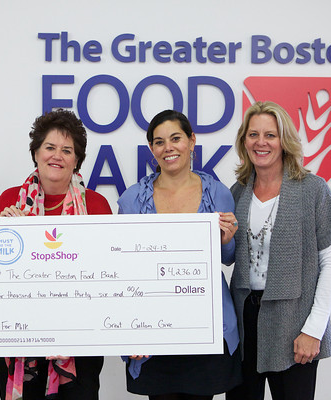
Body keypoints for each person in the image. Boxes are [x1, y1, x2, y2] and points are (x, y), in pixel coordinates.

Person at [117, 109, 242, 400]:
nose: (168, 147)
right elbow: (122, 269)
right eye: (159, 142)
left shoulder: (219, 194)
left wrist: (226, 239)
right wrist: (127, 331)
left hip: (205, 329)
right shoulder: (132, 199)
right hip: (152, 333)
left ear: (192, 141)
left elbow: (227, 257)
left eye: (176, 138)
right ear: (151, 149)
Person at [225, 101, 331, 400]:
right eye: (253, 134)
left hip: (295, 321)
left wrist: (313, 329)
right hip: (245, 320)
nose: (261, 142)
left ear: (285, 141)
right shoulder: (237, 192)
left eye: (270, 134)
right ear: (244, 141)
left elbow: (330, 264)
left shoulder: (313, 190)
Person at [0, 109, 112, 400]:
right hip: (21, 339)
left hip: (81, 341)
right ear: (35, 153)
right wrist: (5, 236)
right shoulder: (9, 201)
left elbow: (111, 270)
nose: (57, 156)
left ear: (76, 160)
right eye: (50, 147)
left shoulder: (97, 205)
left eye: (67, 150)